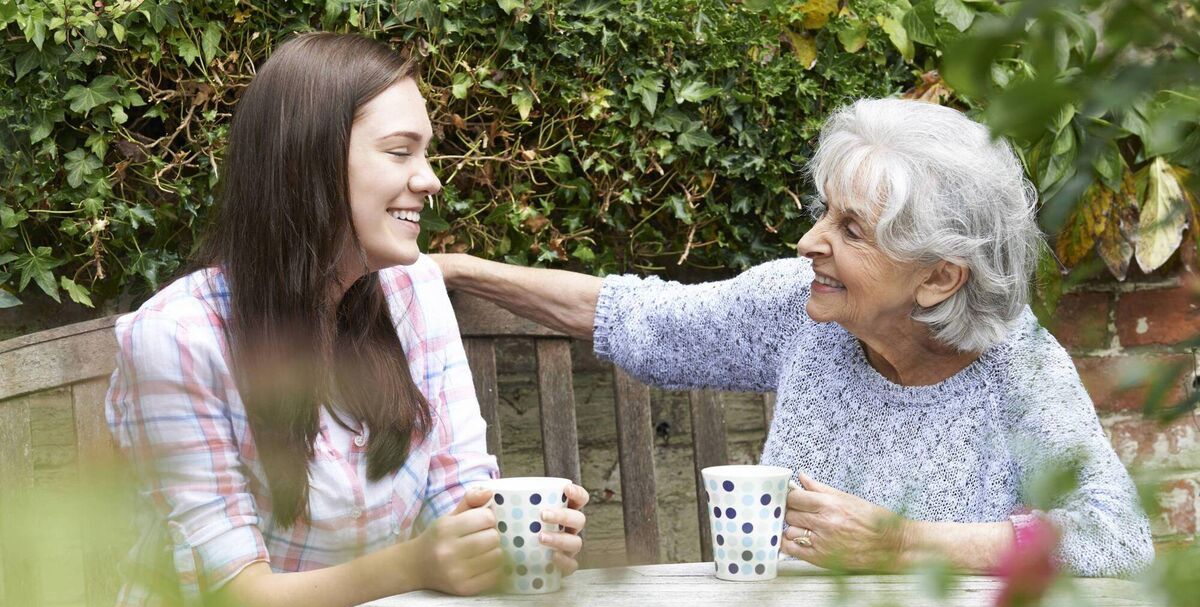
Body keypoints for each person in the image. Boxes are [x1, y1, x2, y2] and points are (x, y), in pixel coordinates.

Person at [432, 98, 1154, 577]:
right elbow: (641, 317)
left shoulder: (1017, 367)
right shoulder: (801, 309)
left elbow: (1118, 536)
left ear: (938, 277)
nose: (810, 241)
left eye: (850, 229)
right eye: (824, 213)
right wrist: (457, 270)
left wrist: (901, 542)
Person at [102, 32, 588, 607]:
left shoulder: (412, 293)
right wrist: (416, 565)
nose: (430, 180)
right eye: (400, 152)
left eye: (426, 153)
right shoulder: (178, 338)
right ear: (309, 162)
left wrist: (505, 540)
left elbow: (460, 493)